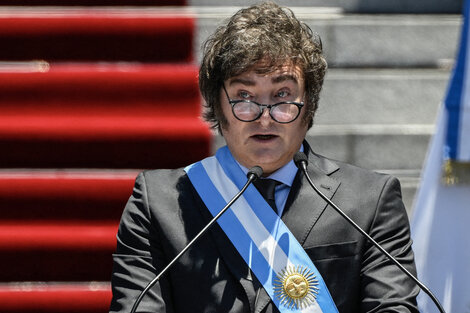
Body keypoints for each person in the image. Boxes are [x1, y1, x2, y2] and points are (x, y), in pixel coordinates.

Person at [109, 2, 419, 312]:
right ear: (218, 105)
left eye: (282, 96)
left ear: (308, 104)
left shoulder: (368, 201)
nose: (264, 118)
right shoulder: (158, 203)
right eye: (244, 96)